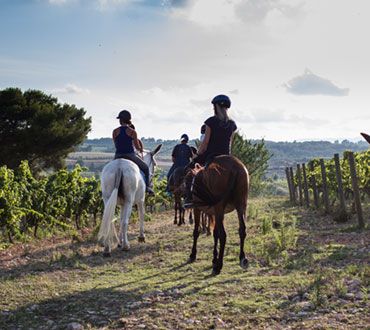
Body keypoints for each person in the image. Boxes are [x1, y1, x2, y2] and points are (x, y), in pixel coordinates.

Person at [184, 94, 237, 206]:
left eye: (214, 106)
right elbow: (230, 144)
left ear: (216, 107)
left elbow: (205, 143)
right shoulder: (232, 124)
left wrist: (197, 154)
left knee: (189, 171)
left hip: (211, 155)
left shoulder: (211, 122)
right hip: (226, 156)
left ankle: (189, 199)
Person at [113, 110, 154, 195]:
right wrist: (140, 149)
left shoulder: (115, 131)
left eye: (119, 119)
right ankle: (147, 188)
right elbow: (137, 147)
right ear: (128, 119)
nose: (119, 120)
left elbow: (116, 144)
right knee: (146, 168)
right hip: (130, 155)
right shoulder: (132, 132)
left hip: (118, 155)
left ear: (121, 120)